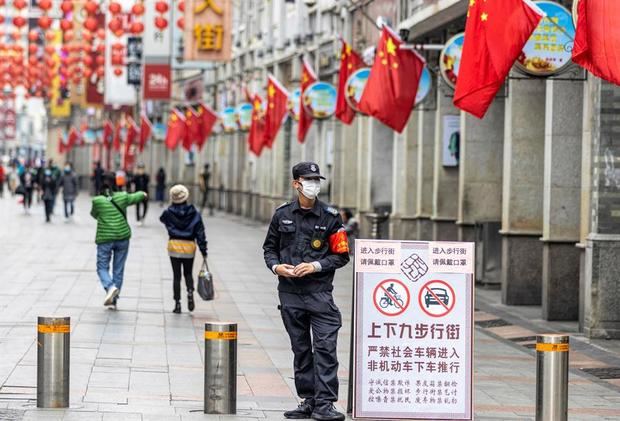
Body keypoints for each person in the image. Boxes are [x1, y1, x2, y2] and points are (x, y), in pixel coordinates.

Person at [263, 162, 350, 421]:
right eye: (308, 179)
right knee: (301, 349)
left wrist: (316, 265)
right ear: (296, 184)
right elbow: (269, 248)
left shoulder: (331, 217)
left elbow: (342, 255)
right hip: (289, 294)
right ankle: (309, 400)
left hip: (320, 293)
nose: (314, 184)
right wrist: (277, 267)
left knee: (325, 348)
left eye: (317, 179)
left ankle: (325, 404)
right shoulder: (282, 215)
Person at [90, 172, 147, 309]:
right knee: (118, 269)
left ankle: (110, 288)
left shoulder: (97, 201)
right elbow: (137, 196)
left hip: (105, 239)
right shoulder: (123, 197)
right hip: (122, 237)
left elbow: (94, 215)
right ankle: (114, 299)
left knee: (102, 267)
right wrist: (144, 194)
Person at [159, 185, 208, 314]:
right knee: (188, 273)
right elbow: (200, 232)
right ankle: (190, 293)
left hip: (174, 245)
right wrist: (203, 250)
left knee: (176, 275)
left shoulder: (169, 212)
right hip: (189, 247)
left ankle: (177, 304)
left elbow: (162, 218)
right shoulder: (194, 213)